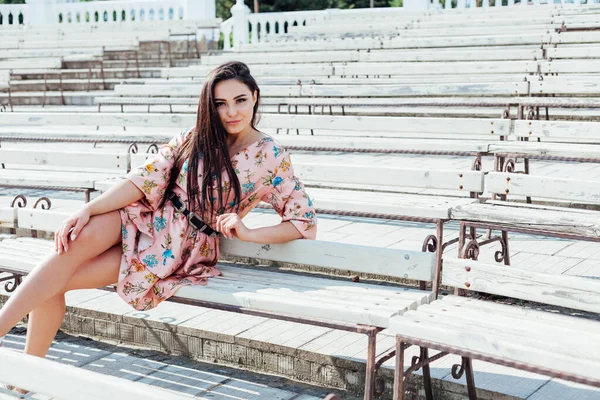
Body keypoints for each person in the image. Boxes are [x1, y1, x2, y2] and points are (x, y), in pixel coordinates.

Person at [0, 61, 317, 393]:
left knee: (51, 283)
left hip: (178, 247)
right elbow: (144, 178)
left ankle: (20, 385)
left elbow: (302, 221)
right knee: (77, 239)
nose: (231, 112)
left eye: (239, 100)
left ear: (254, 97)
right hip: (147, 214)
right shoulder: (196, 137)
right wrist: (88, 209)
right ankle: (16, 369)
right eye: (220, 104)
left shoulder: (272, 156)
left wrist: (249, 233)